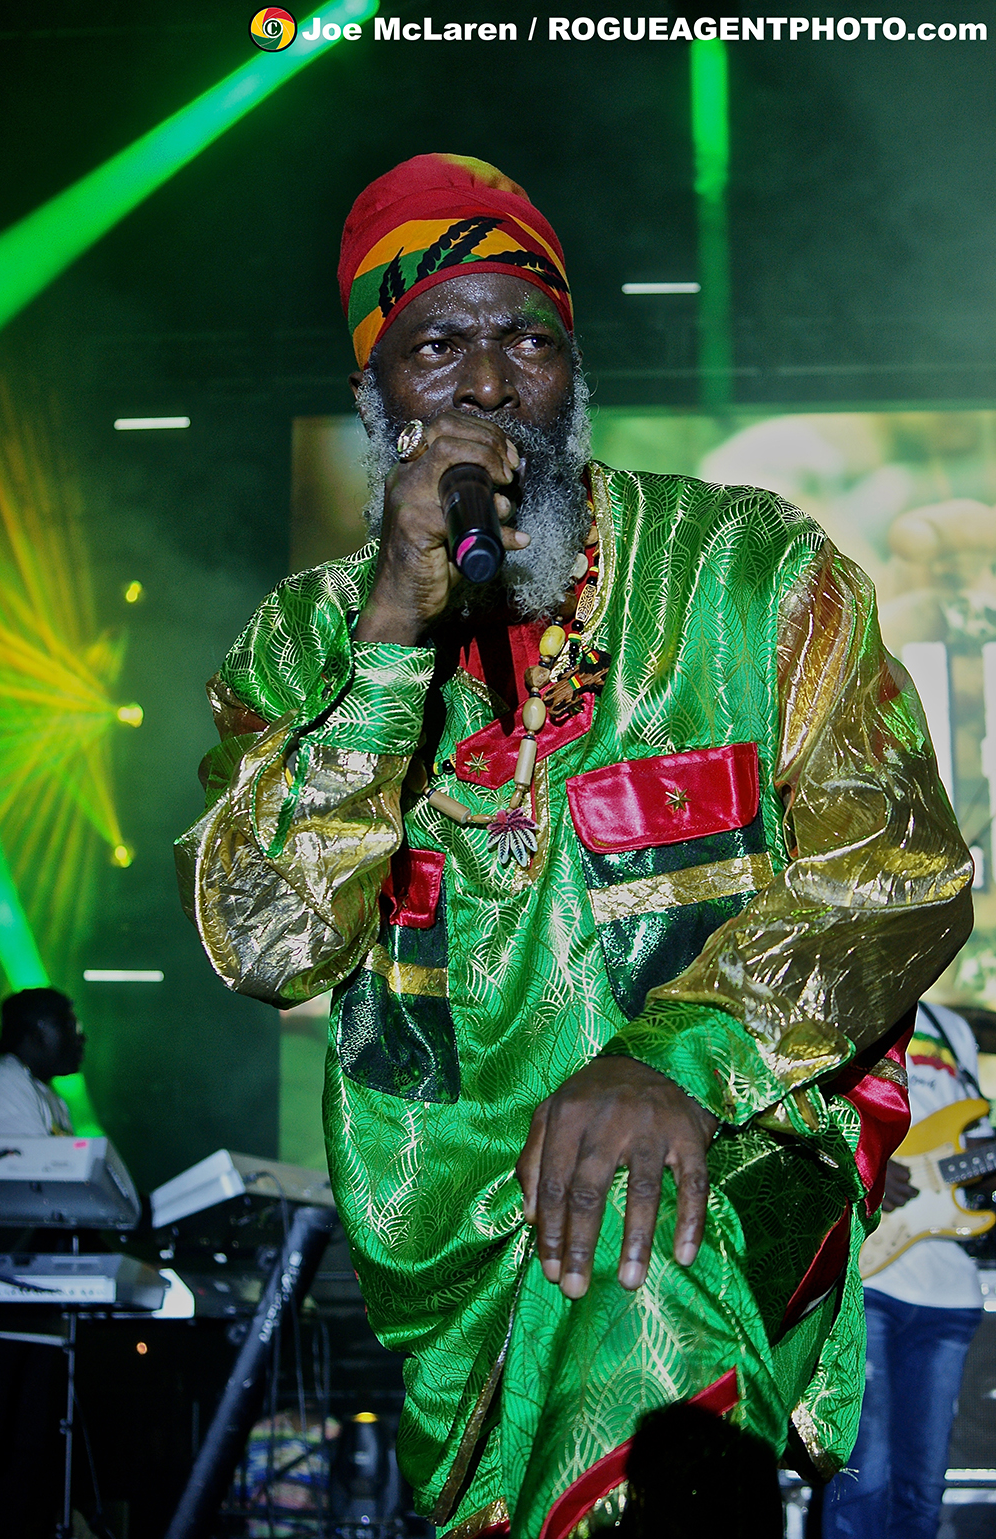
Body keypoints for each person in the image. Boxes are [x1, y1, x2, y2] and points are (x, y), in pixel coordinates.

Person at [176, 155, 973, 1539]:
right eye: (437, 345)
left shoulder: (749, 573)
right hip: (456, 1234)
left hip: (724, 1149)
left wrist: (675, 1059)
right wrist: (389, 641)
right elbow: (271, 943)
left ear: (574, 370)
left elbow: (899, 868)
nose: (489, 383)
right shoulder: (307, 641)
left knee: (641, 1287)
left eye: (529, 340)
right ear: (376, 393)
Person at [821, 1001, 992, 1538]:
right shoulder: (855, 1000)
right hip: (868, 1281)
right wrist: (866, 1159)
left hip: (949, 1296)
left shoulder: (952, 1028)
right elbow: (810, 1119)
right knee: (861, 1480)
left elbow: (973, 1143)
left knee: (922, 1491)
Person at [0, 987, 82, 1137]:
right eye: (70, 1026)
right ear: (39, 1029)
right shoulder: (3, 1082)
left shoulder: (44, 1091)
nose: (81, 1038)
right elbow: (36, 1153)